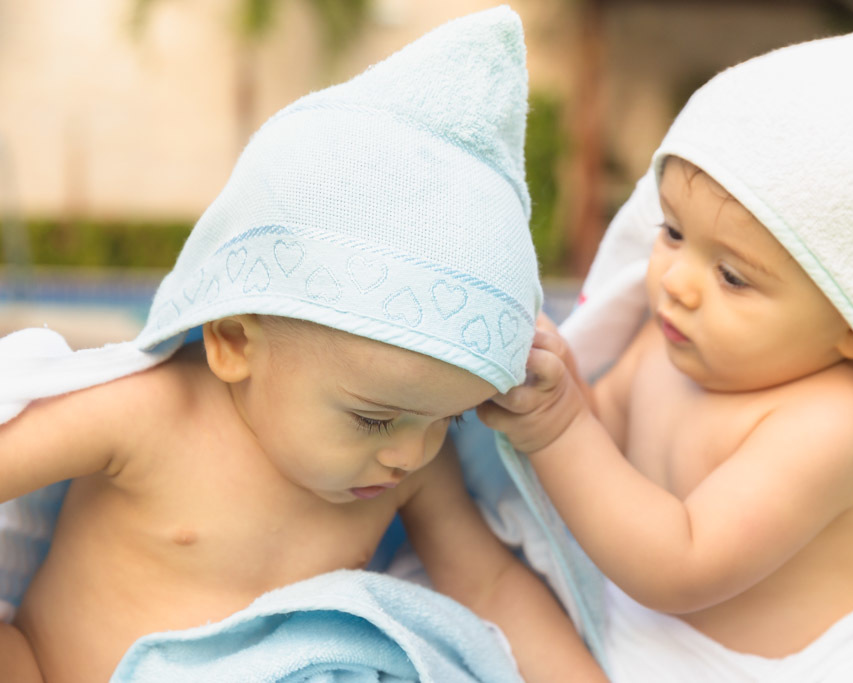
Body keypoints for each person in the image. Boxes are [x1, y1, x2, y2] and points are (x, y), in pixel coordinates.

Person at [0, 8, 607, 683]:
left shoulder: (408, 466)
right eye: (372, 417)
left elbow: (488, 586)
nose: (410, 453)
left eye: (450, 419)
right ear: (235, 340)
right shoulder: (150, 415)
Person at [479, 0, 853, 679]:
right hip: (653, 629)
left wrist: (558, 428)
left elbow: (681, 560)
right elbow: (598, 435)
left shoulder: (832, 421)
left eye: (732, 275)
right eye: (673, 232)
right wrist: (555, 387)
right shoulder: (665, 341)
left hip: (821, 665)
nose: (677, 281)